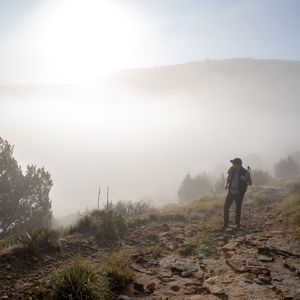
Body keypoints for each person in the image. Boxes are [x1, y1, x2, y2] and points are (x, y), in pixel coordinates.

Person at [223, 157, 252, 229]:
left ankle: (237, 224)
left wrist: (245, 179)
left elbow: (250, 183)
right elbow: (228, 178)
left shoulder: (245, 172)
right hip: (231, 192)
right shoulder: (231, 169)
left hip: (239, 193)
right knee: (226, 207)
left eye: (234, 163)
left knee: (238, 209)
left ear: (238, 164)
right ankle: (225, 224)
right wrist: (226, 184)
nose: (233, 164)